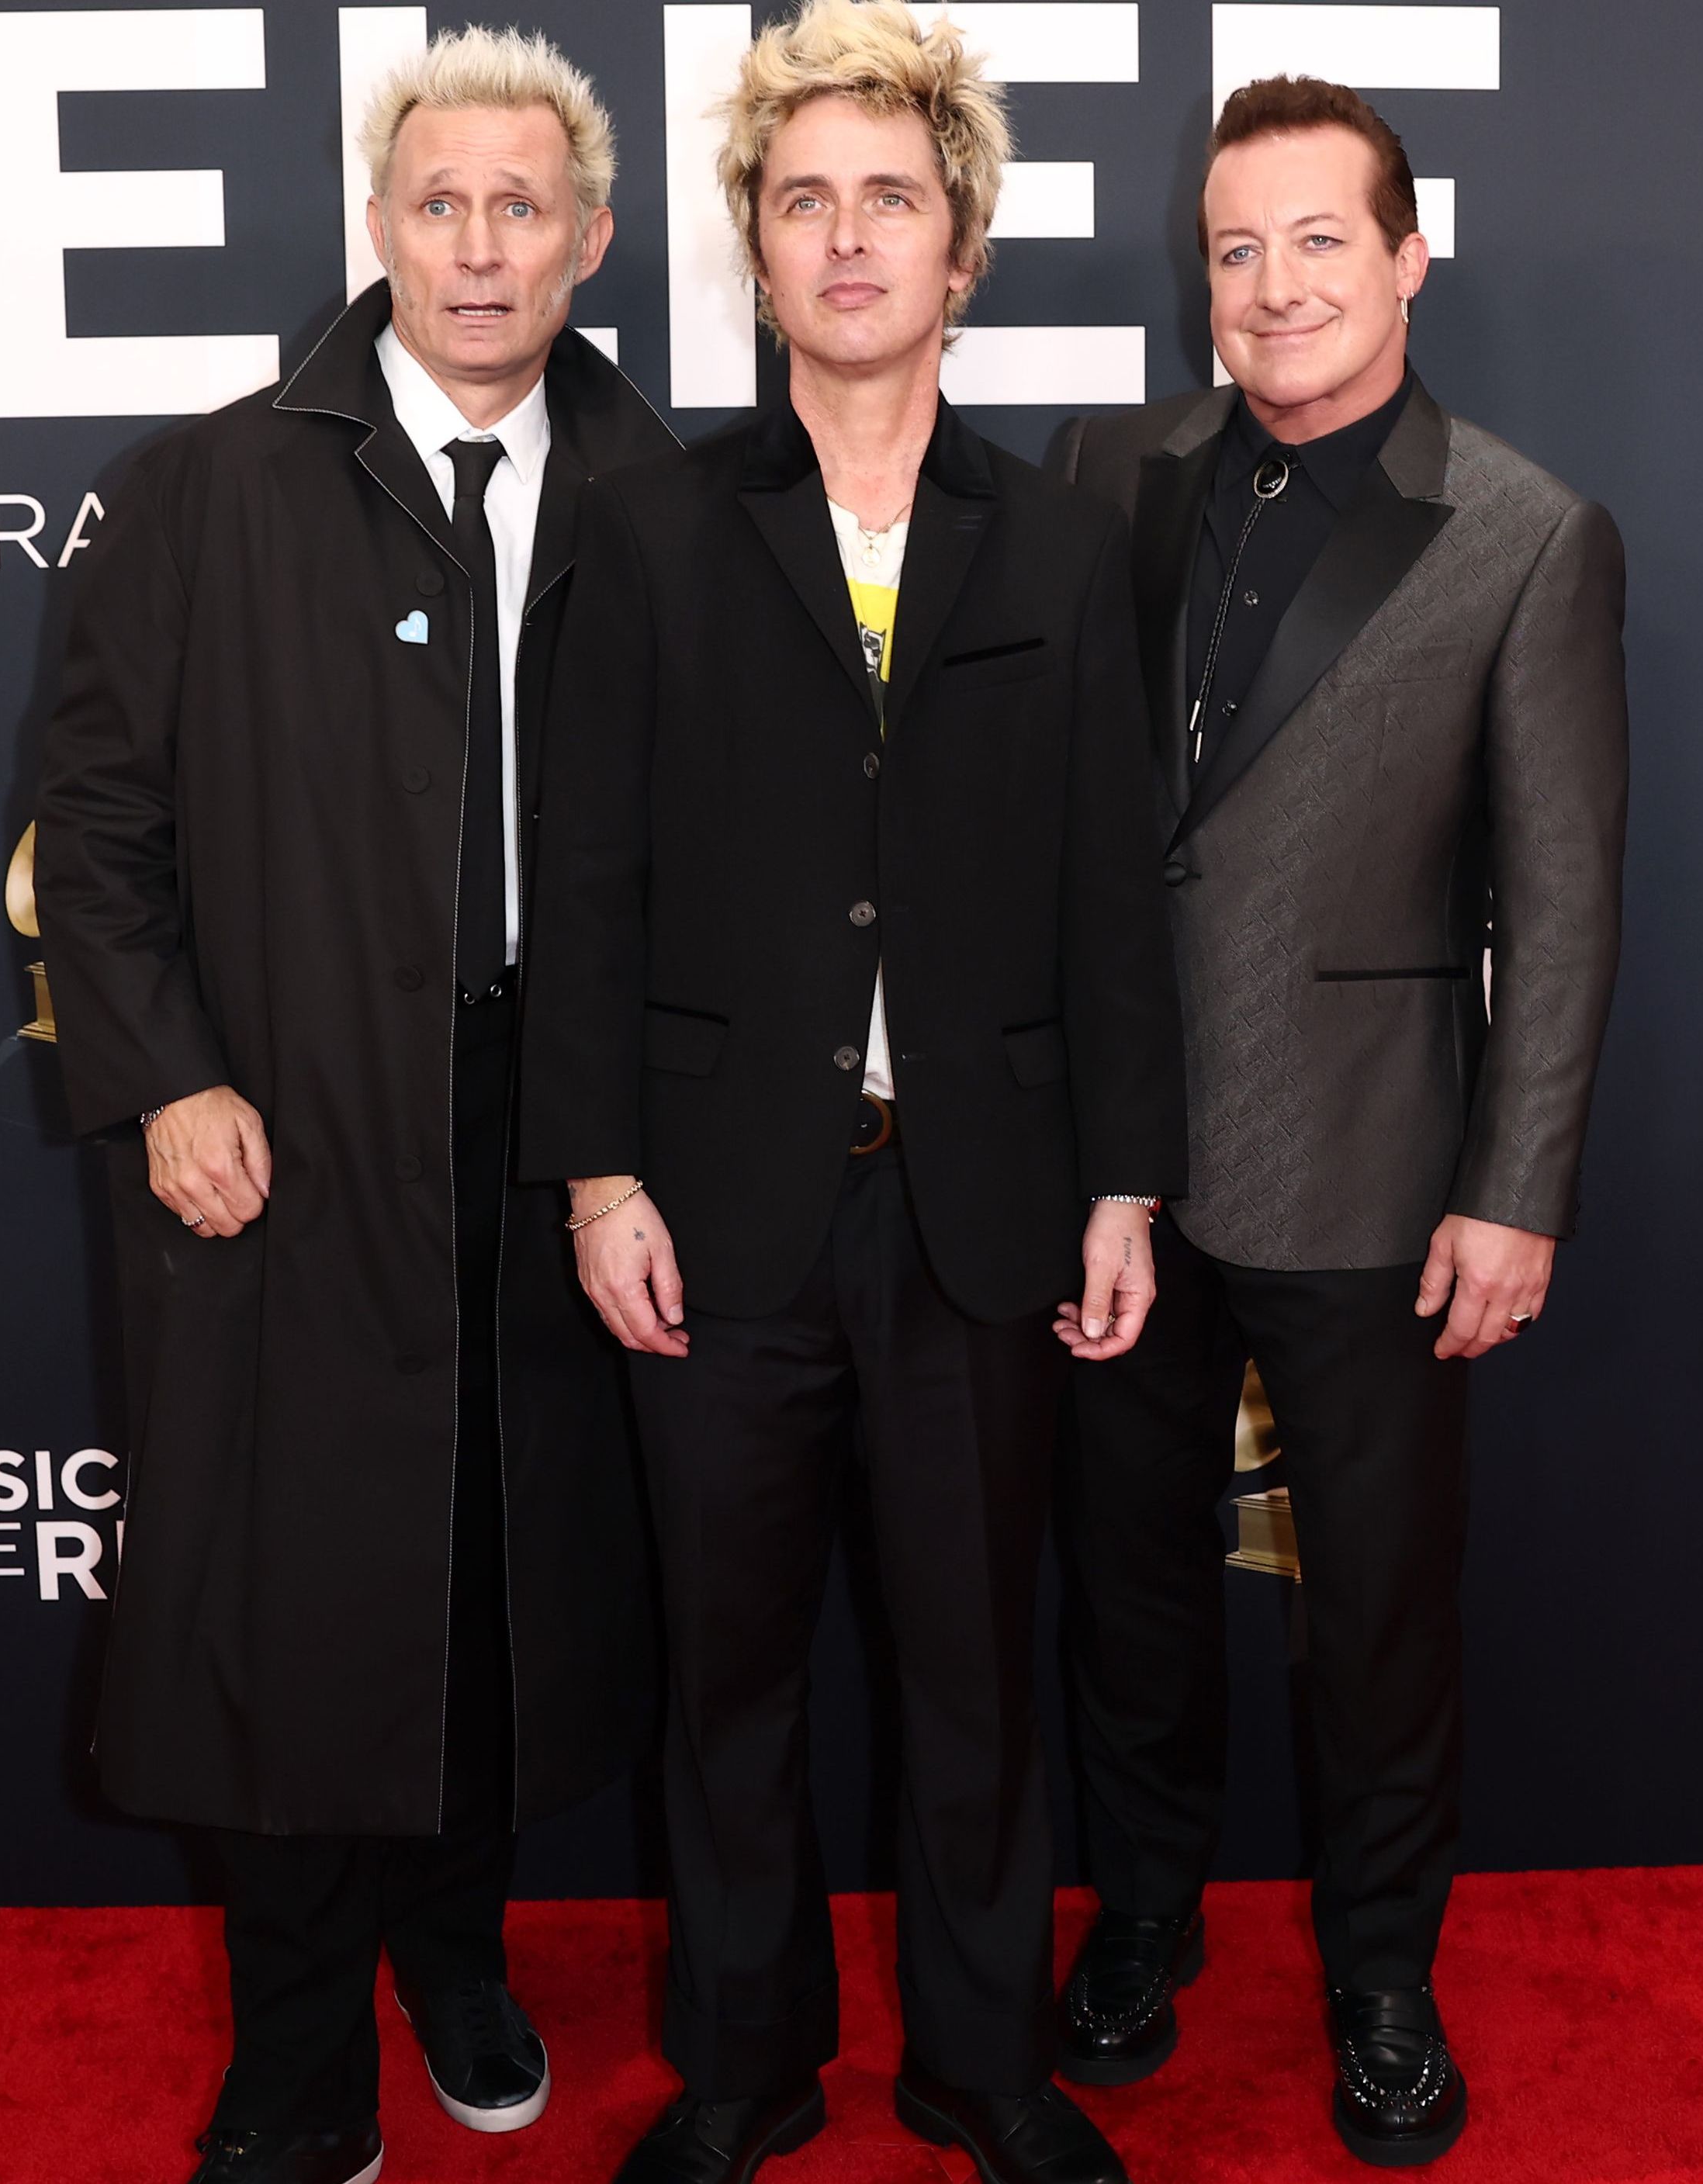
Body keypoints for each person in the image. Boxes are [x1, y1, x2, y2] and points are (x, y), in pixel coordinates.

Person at [517, 8, 1184, 2183]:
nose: (847, 234)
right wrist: (599, 1170)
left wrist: (1125, 1190)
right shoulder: (646, 526)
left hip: (983, 1202)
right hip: (716, 1201)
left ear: (963, 245)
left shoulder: (1072, 548)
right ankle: (744, 2066)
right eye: (803, 198)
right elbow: (585, 874)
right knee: (730, 1682)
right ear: (754, 248)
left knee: (977, 1676)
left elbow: (1112, 893)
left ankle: (984, 2068)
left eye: (890, 194)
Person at [32, 32, 673, 2184]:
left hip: (560, 1131)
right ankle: (298, 2055)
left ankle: (459, 1953)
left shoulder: (665, 499)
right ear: (377, 228)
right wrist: (169, 1075)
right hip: (287, 1125)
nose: (479, 246)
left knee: (501, 1587)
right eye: (439, 202)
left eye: (522, 207)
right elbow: (94, 826)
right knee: (300, 1613)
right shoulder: (209, 489)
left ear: (589, 238)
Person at [1040, 74, 1632, 2169]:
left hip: (1378, 1170)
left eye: (1316, 241)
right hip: (1121, 1166)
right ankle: (1141, 1922)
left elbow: (1559, 900)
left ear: (1406, 257)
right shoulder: (1112, 466)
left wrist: (1517, 1189)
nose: (1273, 287)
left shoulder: (1526, 533)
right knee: (1128, 1591)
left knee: (1374, 1614)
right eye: (1233, 248)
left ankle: (1382, 1975)